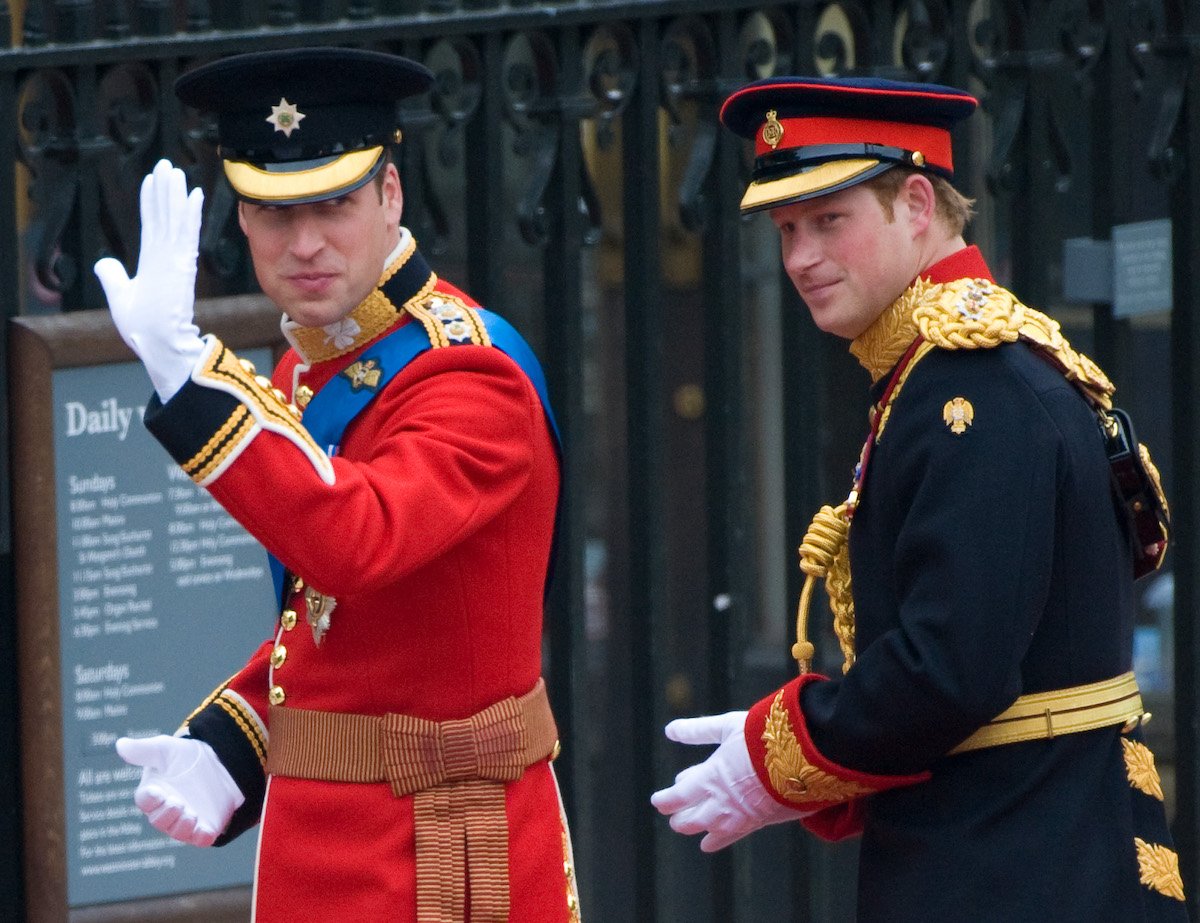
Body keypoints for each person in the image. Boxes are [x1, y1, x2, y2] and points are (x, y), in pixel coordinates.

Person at [651, 75, 1184, 922]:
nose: (801, 258)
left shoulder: (971, 388)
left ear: (915, 202)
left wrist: (782, 751)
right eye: (788, 229)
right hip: (1025, 843)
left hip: (1022, 862)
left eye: (831, 221)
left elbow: (951, 667)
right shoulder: (942, 373)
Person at [94, 47, 580, 923]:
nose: (305, 242)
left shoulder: (470, 374)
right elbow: (336, 629)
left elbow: (357, 539)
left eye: (334, 203)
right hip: (322, 842)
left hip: (445, 855)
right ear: (240, 219)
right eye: (274, 213)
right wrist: (234, 739)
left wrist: (189, 377)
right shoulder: (313, 367)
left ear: (391, 194)